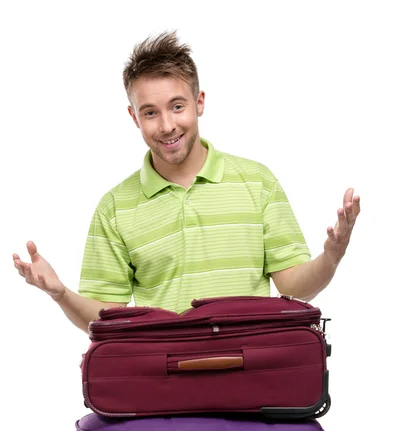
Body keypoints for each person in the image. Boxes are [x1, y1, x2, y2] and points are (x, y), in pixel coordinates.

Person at [13, 31, 360, 334]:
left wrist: (330, 256)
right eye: (150, 112)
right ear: (134, 117)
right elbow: (106, 319)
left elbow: (294, 287)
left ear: (199, 102)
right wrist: (61, 294)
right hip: (168, 375)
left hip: (250, 368)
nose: (166, 126)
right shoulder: (115, 208)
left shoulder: (258, 182)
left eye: (177, 107)